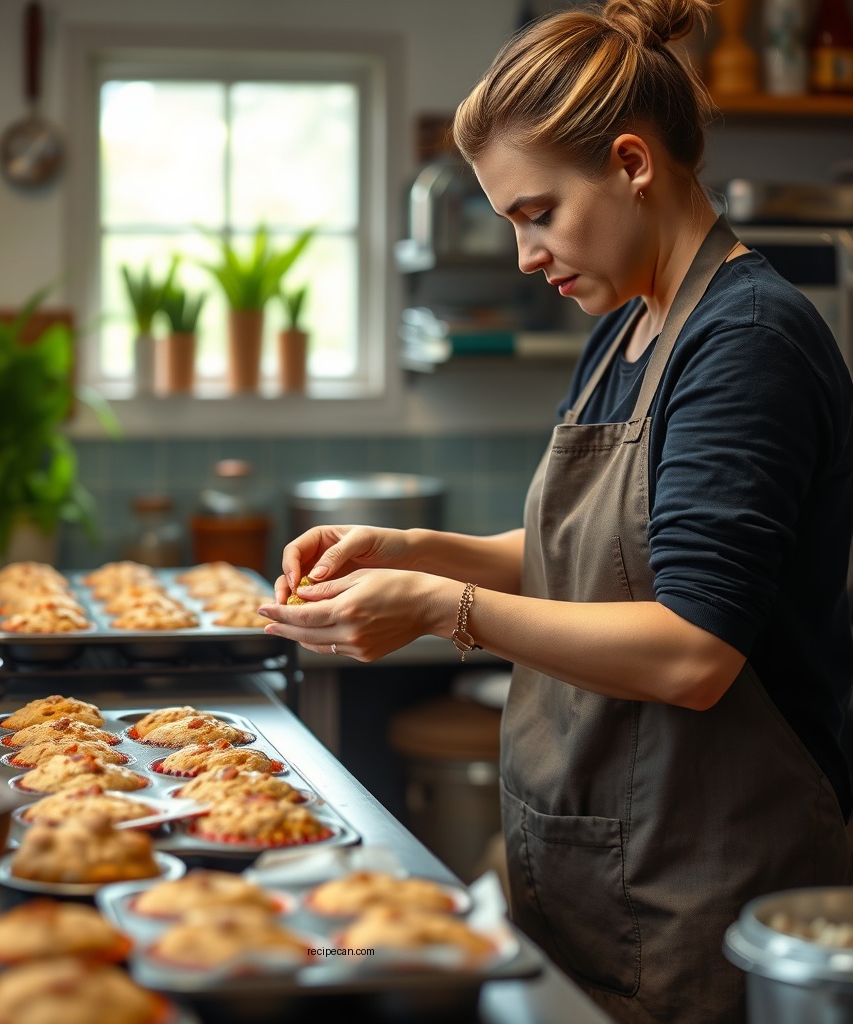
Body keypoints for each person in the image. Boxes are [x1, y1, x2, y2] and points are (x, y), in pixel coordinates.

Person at [258, 0, 853, 1021]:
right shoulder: (625, 326)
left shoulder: (744, 342)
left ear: (630, 162)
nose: (527, 256)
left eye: (537, 213)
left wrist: (447, 606)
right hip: (591, 869)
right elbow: (594, 557)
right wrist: (410, 547)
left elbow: (690, 650)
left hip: (702, 889)